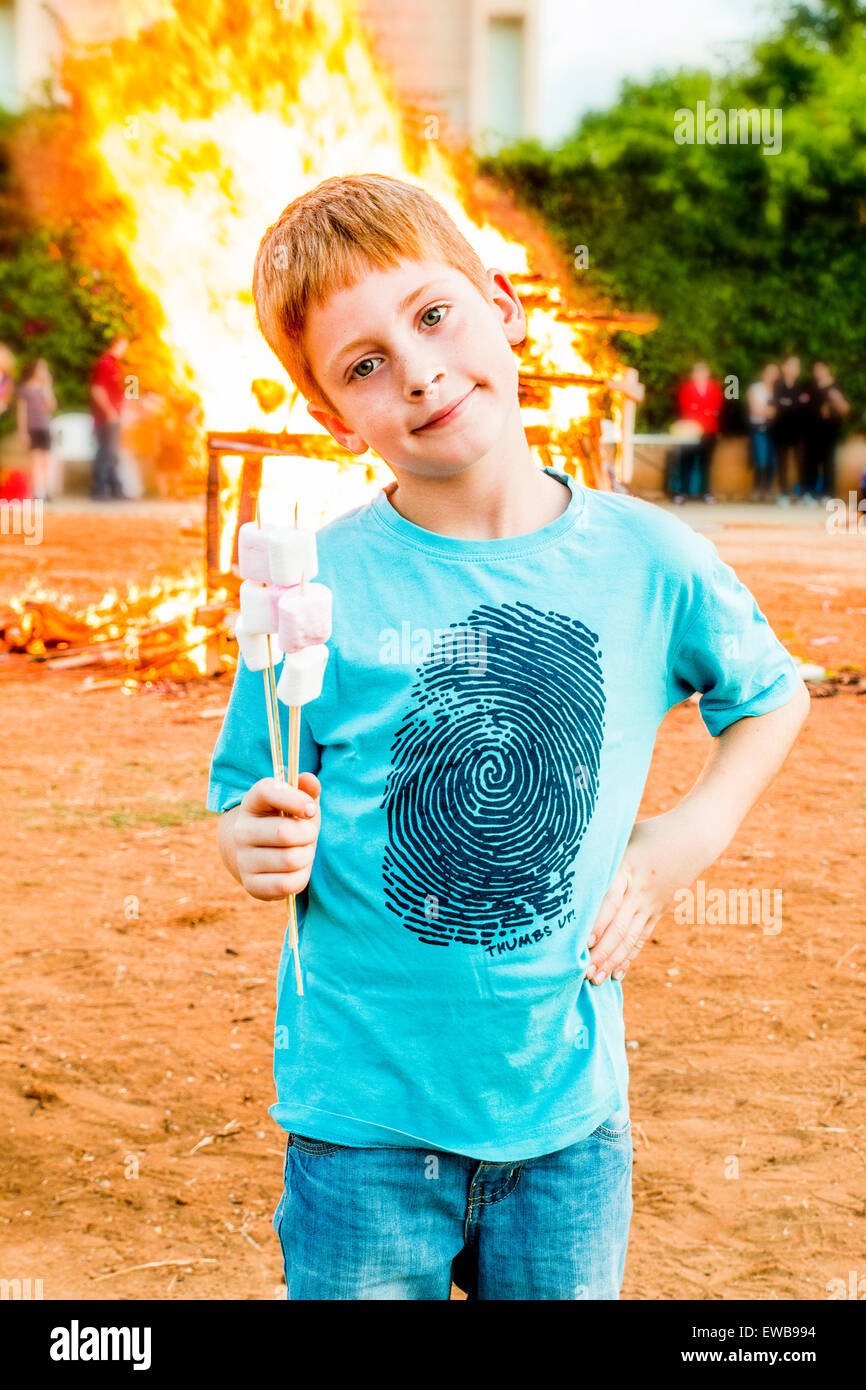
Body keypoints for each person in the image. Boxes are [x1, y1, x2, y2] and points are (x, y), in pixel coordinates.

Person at [207, 173, 810, 1301]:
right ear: (335, 416)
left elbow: (770, 698)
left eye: (432, 316)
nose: (419, 371)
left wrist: (668, 849)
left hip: (565, 1126)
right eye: (364, 365)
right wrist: (247, 840)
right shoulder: (320, 580)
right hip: (360, 1130)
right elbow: (248, 785)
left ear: (504, 305)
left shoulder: (649, 559)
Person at [674, 362, 723, 503]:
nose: (699, 375)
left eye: (702, 372)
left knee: (705, 463)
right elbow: (685, 408)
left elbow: (717, 407)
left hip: (710, 430)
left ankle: (705, 492)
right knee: (686, 461)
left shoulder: (714, 388)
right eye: (697, 372)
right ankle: (682, 492)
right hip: (691, 431)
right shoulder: (686, 388)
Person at [90, 334, 129, 499]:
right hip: (106, 418)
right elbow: (97, 390)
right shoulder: (105, 363)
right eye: (123, 345)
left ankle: (115, 490)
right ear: (115, 344)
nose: (125, 350)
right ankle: (100, 489)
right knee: (106, 453)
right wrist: (110, 412)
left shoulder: (116, 365)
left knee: (112, 453)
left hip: (114, 416)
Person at [805, 362, 849, 500]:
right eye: (816, 369)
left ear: (827, 369)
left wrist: (836, 400)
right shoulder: (812, 387)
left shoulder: (836, 386)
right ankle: (811, 493)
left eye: (821, 369)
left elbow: (845, 409)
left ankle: (828, 493)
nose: (818, 372)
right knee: (811, 462)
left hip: (829, 431)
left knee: (828, 462)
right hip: (812, 431)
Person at [771, 354, 811, 501]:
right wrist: (795, 403)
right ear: (784, 367)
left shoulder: (803, 385)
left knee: (801, 461)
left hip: (799, 430)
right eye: (793, 365)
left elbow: (805, 406)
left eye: (798, 365)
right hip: (781, 429)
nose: (796, 369)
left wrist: (788, 403)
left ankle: (803, 493)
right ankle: (783, 494)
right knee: (782, 462)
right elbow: (778, 405)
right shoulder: (777, 384)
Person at [16, 358, 57, 501]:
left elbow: (51, 406)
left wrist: (47, 387)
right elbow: (21, 412)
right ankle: (36, 492)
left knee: (46, 461)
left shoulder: (44, 388)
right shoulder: (25, 389)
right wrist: (23, 432)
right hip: (32, 428)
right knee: (35, 461)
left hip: (44, 427)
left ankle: (45, 491)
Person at [746, 363, 779, 502]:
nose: (772, 376)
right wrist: (772, 411)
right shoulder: (755, 388)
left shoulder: (779, 389)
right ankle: (757, 490)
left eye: (775, 373)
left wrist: (767, 411)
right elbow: (755, 409)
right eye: (769, 372)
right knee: (761, 460)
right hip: (759, 428)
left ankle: (767, 491)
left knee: (773, 462)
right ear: (764, 373)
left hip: (775, 429)